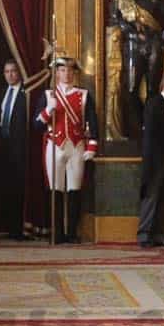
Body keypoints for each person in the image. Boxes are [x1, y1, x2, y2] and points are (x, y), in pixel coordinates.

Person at [33, 55, 98, 243]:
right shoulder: (48, 95)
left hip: (77, 146)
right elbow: (37, 125)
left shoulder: (84, 95)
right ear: (57, 73)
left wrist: (92, 145)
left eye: (70, 70)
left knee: (74, 190)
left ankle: (72, 233)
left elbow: (92, 122)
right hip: (54, 146)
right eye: (62, 70)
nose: (66, 74)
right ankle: (57, 233)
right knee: (55, 190)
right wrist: (48, 110)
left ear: (75, 73)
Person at [137, 72, 164, 248]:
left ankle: (159, 233)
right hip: (155, 159)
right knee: (152, 195)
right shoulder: (154, 103)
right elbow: (152, 132)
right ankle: (144, 234)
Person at [0, 59, 31, 240]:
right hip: (5, 147)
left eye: (13, 71)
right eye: (6, 71)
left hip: (20, 148)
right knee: (7, 188)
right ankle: (10, 228)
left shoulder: (27, 94)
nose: (10, 75)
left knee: (19, 187)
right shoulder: (3, 93)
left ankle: (20, 229)